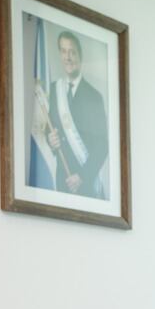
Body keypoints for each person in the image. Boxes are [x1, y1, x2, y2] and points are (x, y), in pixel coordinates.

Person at [46, 30, 108, 199]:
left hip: (86, 183)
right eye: (64, 51)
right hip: (62, 179)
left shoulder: (94, 97)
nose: (68, 57)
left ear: (80, 55)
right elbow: (48, 127)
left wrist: (82, 176)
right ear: (60, 54)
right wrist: (50, 140)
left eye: (72, 52)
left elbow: (103, 144)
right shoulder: (53, 90)